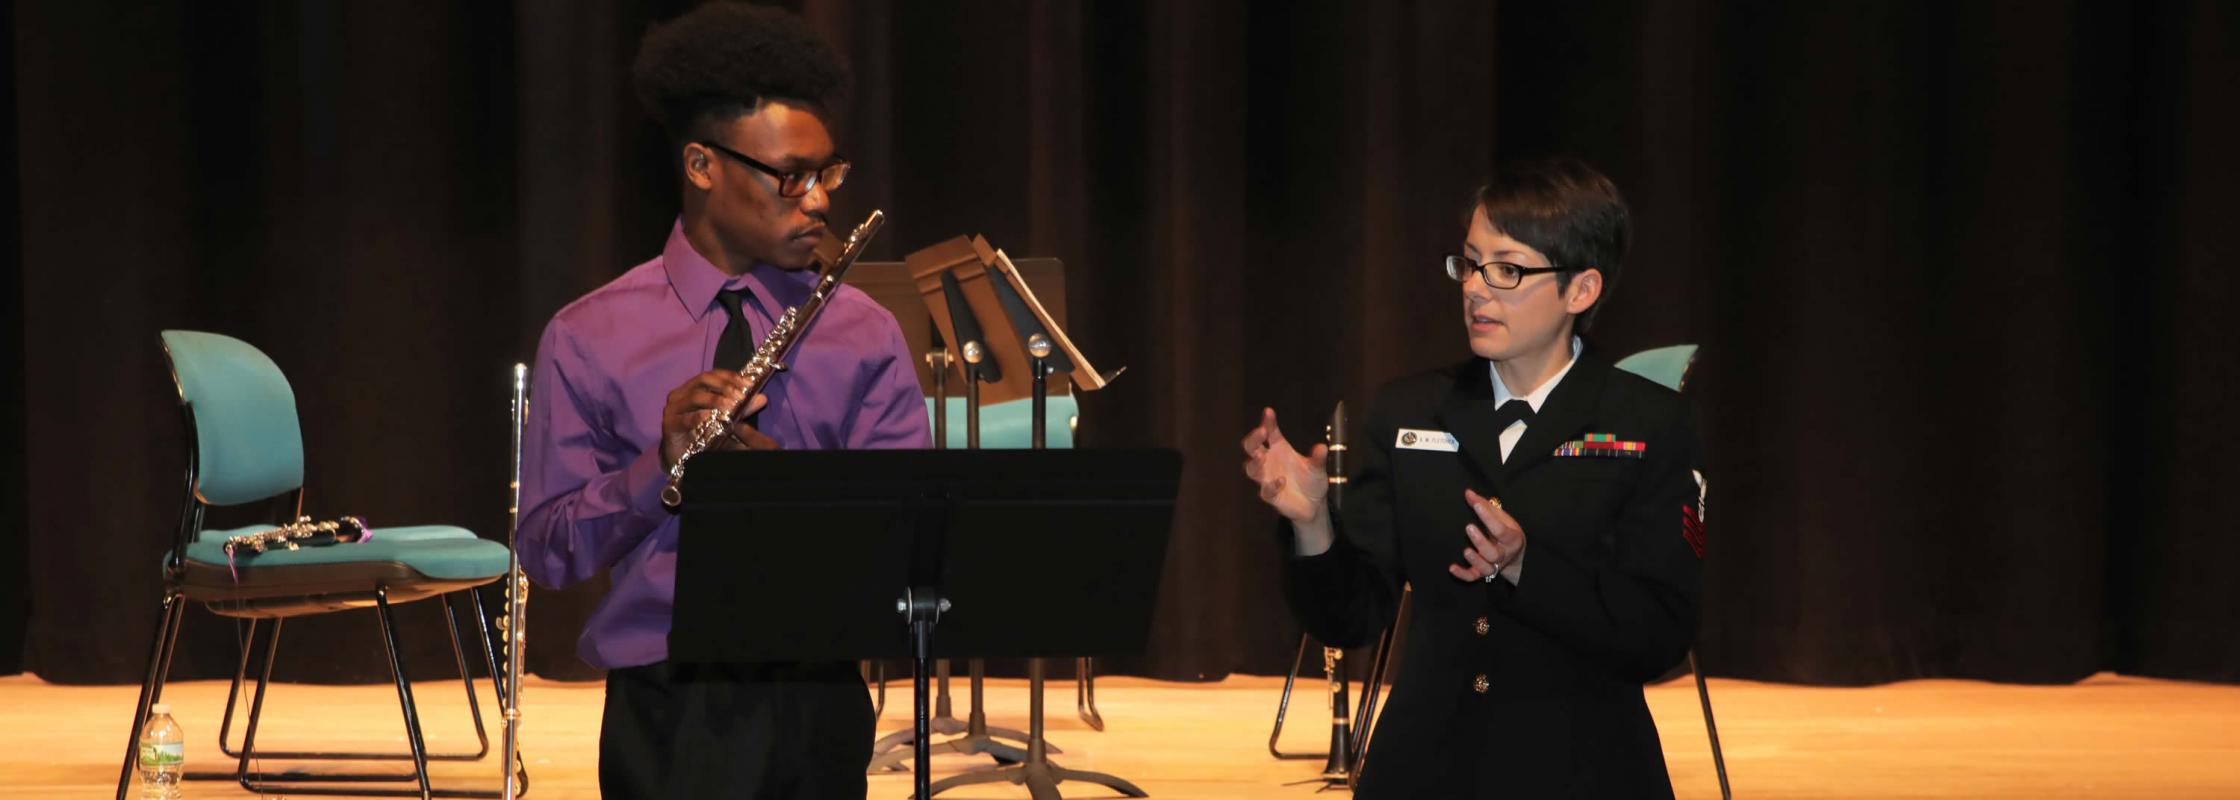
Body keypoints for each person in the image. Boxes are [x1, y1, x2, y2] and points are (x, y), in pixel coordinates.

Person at [515, 4, 929, 796]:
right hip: (664, 701)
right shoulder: (590, 335)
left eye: (827, 174)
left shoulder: (863, 332)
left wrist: (789, 495)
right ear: (703, 166)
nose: (817, 201)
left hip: (820, 692)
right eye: (790, 178)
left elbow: (907, 530)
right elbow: (548, 549)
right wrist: (660, 466)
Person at [1242, 157, 1707, 797]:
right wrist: (1314, 526)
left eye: (1508, 269)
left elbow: (1659, 636)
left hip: (1584, 769)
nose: (1476, 289)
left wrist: (1526, 568)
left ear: (1582, 290)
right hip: (1427, 766)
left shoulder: (1648, 423)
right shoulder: (1408, 411)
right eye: (1469, 263)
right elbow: (1350, 621)